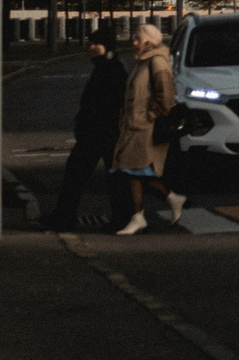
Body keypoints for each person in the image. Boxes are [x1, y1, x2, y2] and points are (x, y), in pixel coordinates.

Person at [49, 29, 129, 231]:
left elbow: (106, 103)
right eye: (90, 43)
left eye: (96, 44)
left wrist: (87, 124)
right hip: (100, 132)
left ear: (107, 47)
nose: (91, 47)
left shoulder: (111, 69)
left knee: (81, 175)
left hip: (102, 132)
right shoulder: (106, 67)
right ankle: (120, 219)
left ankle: (65, 218)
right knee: (108, 178)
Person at [110, 21, 184, 236]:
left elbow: (166, 96)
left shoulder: (157, 62)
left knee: (135, 170)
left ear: (148, 42)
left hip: (144, 127)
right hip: (133, 125)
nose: (134, 42)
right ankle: (152, 209)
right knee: (133, 170)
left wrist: (148, 116)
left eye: (138, 39)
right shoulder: (142, 61)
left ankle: (143, 214)